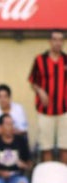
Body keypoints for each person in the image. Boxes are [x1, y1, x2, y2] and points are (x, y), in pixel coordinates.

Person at [28, 30, 67, 163]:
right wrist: (40, 91)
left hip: (65, 111)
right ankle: (48, 179)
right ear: (50, 42)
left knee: (65, 147)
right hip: (45, 111)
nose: (58, 43)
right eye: (55, 39)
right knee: (46, 148)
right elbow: (32, 81)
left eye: (60, 40)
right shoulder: (40, 60)